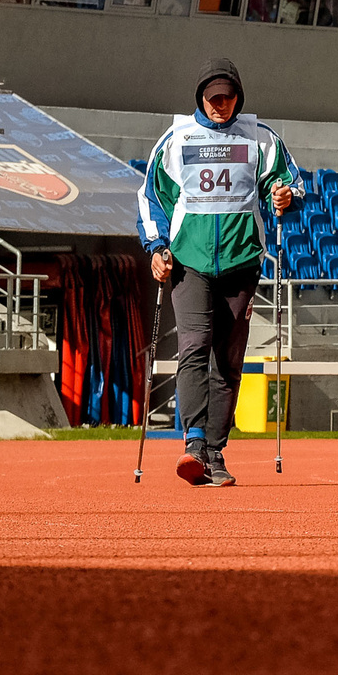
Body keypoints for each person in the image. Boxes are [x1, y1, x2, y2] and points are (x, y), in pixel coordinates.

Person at [136, 58, 303, 489]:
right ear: (201, 98)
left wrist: (285, 196)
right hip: (188, 263)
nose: (219, 105)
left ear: (237, 98)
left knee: (228, 362)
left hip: (241, 262)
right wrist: (156, 246)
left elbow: (290, 184)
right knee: (194, 347)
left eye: (227, 97)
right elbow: (151, 197)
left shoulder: (261, 138)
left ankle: (214, 452)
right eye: (212, 98)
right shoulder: (176, 139)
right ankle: (193, 444)